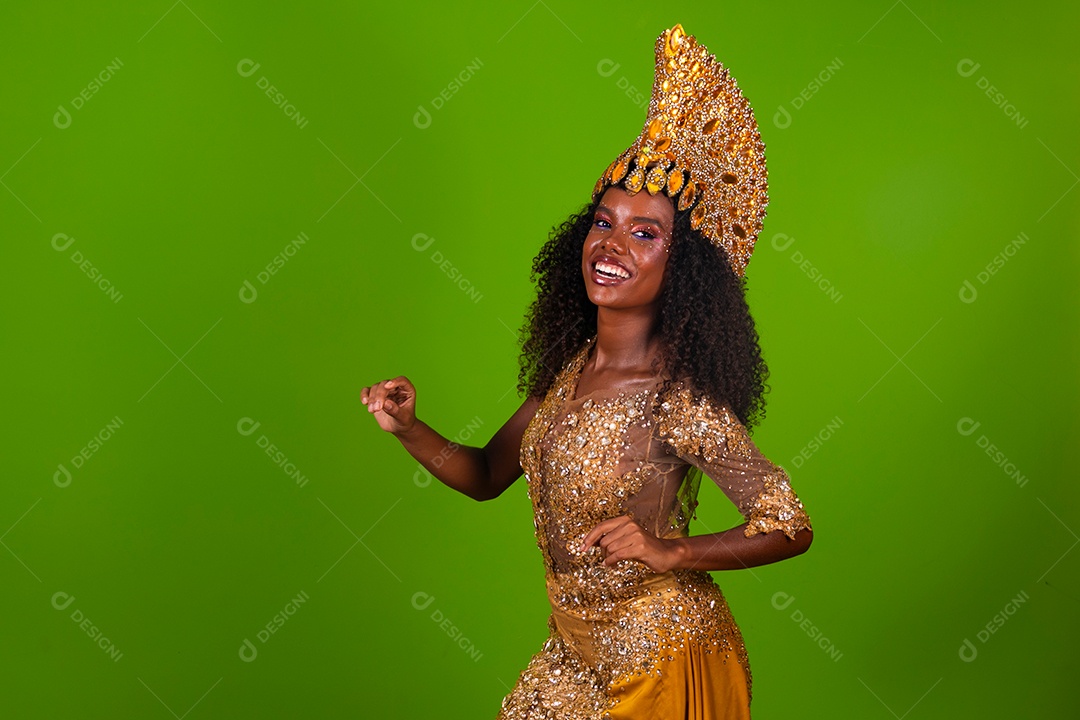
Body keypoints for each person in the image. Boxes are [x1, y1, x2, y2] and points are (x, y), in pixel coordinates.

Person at [361, 24, 813, 719]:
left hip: (661, 658)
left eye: (645, 233)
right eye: (604, 222)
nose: (612, 245)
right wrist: (408, 428)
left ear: (680, 269)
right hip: (574, 651)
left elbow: (788, 523)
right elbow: (485, 476)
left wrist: (673, 550)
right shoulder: (569, 370)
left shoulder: (676, 398)